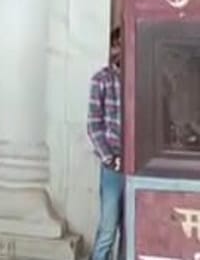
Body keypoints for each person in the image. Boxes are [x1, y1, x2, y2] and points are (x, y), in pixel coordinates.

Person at [88, 27, 123, 260]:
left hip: (138, 164)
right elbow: (93, 124)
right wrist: (109, 158)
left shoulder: (144, 77)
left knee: (131, 228)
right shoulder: (101, 80)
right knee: (108, 229)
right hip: (113, 167)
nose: (121, 50)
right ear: (112, 48)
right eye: (118, 44)